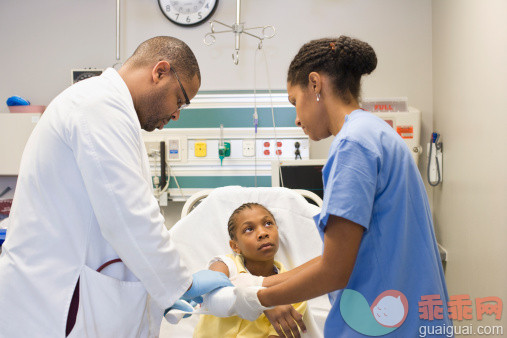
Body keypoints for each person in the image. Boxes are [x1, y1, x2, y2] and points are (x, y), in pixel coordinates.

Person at [0, 36, 231, 337]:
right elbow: (130, 216)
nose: (176, 114)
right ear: (160, 71)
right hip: (59, 302)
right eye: (180, 99)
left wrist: (165, 289)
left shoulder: (111, 110)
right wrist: (180, 284)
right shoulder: (97, 106)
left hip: (79, 292)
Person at [231, 36, 453, 336]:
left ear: (314, 84)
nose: (297, 118)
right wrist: (261, 282)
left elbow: (333, 271)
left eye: (295, 102)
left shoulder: (352, 146)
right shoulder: (377, 134)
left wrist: (259, 299)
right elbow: (339, 256)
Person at [193, 203, 307, 338]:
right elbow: (211, 294)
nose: (262, 233)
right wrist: (263, 301)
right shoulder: (225, 264)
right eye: (248, 229)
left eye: (268, 223)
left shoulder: (294, 289)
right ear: (235, 246)